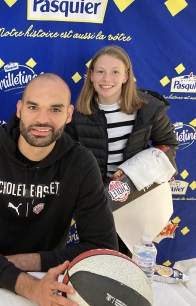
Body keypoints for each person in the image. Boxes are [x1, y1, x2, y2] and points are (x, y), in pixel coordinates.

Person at [0, 73, 118, 306]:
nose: (42, 119)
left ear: (69, 114)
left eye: (55, 109)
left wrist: (29, 263)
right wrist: (30, 287)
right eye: (33, 107)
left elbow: (103, 247)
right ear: (20, 109)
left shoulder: (80, 163)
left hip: (49, 281)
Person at [65, 45, 179, 254]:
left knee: (128, 258)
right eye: (100, 71)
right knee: (97, 257)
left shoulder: (149, 108)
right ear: (91, 76)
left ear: (126, 76)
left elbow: (169, 145)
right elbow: (68, 158)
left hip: (137, 200)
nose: (106, 78)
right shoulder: (77, 114)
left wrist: (134, 172)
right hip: (96, 202)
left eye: (115, 72)